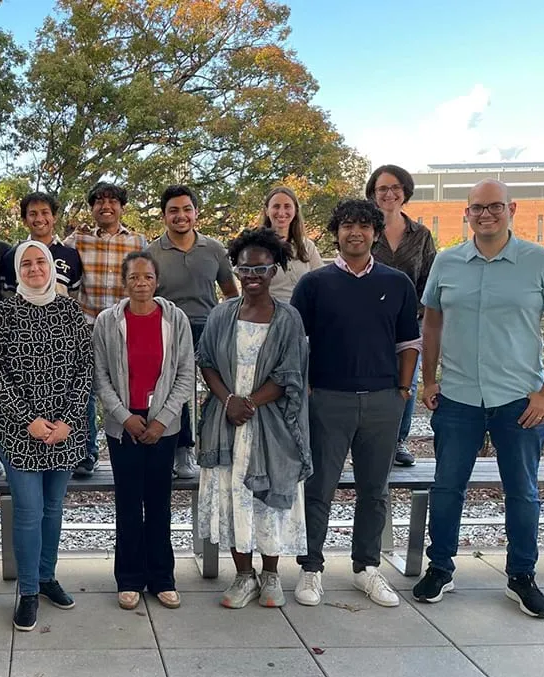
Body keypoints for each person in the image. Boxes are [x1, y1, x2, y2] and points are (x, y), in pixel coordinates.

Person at [412, 179, 544, 619]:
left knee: (522, 492)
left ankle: (522, 576)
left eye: (495, 207)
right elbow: (432, 327)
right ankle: (440, 568)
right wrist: (429, 381)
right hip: (459, 398)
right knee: (447, 489)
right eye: (477, 208)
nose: (486, 215)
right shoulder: (446, 263)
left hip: (520, 401)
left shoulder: (541, 262)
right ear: (467, 213)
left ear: (512, 208)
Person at [290, 199, 420, 609]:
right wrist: (308, 388)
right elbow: (296, 342)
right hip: (328, 399)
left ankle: (366, 567)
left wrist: (402, 391)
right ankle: (310, 568)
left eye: (364, 226)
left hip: (383, 401)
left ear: (376, 234)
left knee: (374, 491)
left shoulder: (397, 282)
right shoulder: (315, 283)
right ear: (336, 232)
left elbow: (409, 342)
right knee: (318, 487)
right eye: (348, 225)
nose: (355, 233)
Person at [196, 228, 311, 609]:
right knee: (232, 498)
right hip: (227, 423)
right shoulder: (221, 313)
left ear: (275, 271)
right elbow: (207, 362)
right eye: (245, 269)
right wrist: (229, 400)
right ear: (236, 270)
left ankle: (272, 574)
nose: (252, 277)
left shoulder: (288, 318)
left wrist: (250, 402)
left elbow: (290, 372)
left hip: (270, 425)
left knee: (268, 501)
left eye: (261, 270)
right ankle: (243, 576)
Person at [0, 240, 93, 632]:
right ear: (17, 271)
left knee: (52, 510)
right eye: (26, 264)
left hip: (65, 432)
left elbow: (85, 369)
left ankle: (47, 578)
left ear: (51, 267)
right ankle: (28, 591)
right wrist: (29, 419)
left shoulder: (69, 310)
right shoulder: (5, 313)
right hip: (19, 432)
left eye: (39, 263)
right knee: (29, 513)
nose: (33, 269)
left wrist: (66, 420)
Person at [92, 251, 194, 610]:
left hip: (163, 426)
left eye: (147, 277)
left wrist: (162, 419)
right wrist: (124, 416)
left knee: (159, 502)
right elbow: (100, 377)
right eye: (134, 278)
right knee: (129, 504)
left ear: (157, 280)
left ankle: (162, 577)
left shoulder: (175, 319)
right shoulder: (108, 321)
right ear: (124, 282)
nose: (141, 284)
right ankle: (130, 578)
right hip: (124, 427)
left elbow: (185, 374)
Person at [145, 185, 238, 479]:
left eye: (187, 209)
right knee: (175, 390)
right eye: (173, 210)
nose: (181, 215)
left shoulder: (214, 249)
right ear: (164, 216)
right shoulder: (151, 252)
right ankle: (182, 450)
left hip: (209, 326)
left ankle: (221, 443)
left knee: (223, 385)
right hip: (169, 328)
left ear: (196, 213)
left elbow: (230, 292)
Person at [66, 182, 148, 477]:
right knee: (84, 389)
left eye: (112, 201)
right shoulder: (77, 241)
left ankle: (131, 446)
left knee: (127, 387)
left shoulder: (139, 243)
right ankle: (85, 452)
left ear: (121, 207)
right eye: (99, 201)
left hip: (124, 326)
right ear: (92, 208)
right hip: (87, 325)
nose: (106, 206)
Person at [367, 165, 437, 467]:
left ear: (405, 192)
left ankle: (397, 441)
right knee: (371, 381)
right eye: (382, 188)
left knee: (404, 381)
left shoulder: (420, 235)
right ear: (373, 193)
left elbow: (430, 278)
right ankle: (369, 442)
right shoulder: (365, 230)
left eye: (395, 187)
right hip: (369, 323)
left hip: (410, 322)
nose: (389, 194)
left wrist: (418, 313)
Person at [0, 192, 84, 298]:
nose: (39, 219)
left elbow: (75, 298)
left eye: (45, 213)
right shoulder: (13, 256)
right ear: (25, 221)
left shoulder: (71, 256)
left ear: (54, 217)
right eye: (33, 214)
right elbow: (8, 297)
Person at [261, 186, 324, 302]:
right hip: (271, 315)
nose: (281, 212)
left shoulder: (307, 246)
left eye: (287, 206)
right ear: (267, 211)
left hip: (304, 314)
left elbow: (321, 282)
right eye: (276, 206)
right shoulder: (257, 247)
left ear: (295, 210)